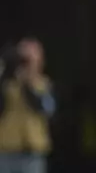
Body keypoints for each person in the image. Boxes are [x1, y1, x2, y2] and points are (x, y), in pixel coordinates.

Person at [0, 37, 56, 173]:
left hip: (32, 152)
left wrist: (27, 84)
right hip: (6, 150)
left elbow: (46, 109)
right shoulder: (6, 85)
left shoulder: (43, 85)